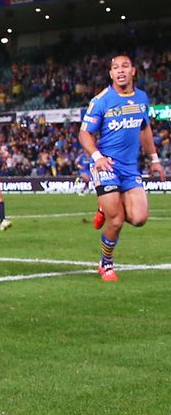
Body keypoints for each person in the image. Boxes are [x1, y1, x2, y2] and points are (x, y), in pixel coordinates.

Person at [78, 54, 165, 282]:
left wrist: (154, 159)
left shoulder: (142, 98)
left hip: (130, 168)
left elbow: (144, 129)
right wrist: (97, 157)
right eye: (115, 68)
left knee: (139, 218)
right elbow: (84, 133)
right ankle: (105, 263)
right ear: (111, 74)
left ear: (133, 71)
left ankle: (104, 207)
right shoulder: (101, 101)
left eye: (125, 66)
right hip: (106, 165)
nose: (120, 71)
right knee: (115, 220)